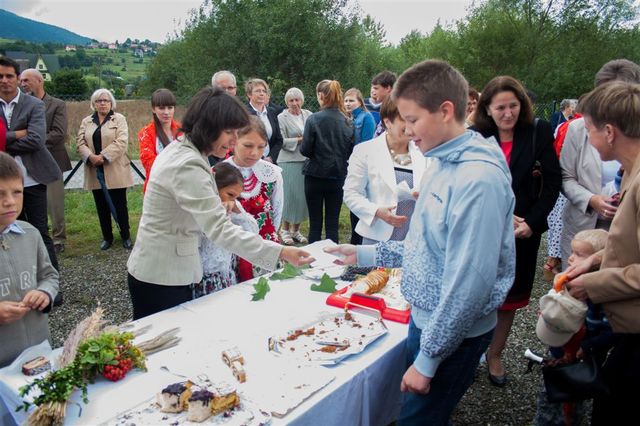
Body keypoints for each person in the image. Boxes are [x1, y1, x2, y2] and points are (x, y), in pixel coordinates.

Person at [327, 59, 515, 425]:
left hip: (452, 337)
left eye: (413, 120)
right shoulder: (442, 162)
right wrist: (364, 251)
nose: (407, 132)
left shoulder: (477, 179)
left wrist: (428, 360)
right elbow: (427, 246)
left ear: (446, 111)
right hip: (426, 321)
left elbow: (470, 285)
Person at [127, 87, 312, 320]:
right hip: (163, 276)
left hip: (165, 270)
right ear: (209, 126)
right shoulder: (187, 164)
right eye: (230, 132)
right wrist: (281, 252)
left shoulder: (187, 150)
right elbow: (219, 230)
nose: (235, 140)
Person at [473, 76, 561, 387]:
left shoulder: (537, 131)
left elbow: (552, 183)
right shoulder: (476, 136)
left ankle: (495, 354)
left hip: (522, 232)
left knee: (509, 298)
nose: (508, 113)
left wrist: (532, 223)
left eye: (513, 106)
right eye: (500, 108)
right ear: (488, 108)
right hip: (481, 229)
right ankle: (470, 353)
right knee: (475, 292)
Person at [564, 81, 640, 425]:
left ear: (609, 132)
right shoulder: (631, 174)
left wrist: (592, 284)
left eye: (589, 129)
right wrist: (594, 260)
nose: (587, 138)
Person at [560, 59, 640, 270]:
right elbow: (565, 176)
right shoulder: (576, 129)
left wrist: (591, 285)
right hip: (584, 225)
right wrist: (591, 200)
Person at [0, 56, 61, 272]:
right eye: (0, 76)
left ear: (17, 78)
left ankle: (51, 281)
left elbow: (36, 139)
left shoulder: (34, 104)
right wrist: (16, 134)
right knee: (9, 231)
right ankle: (20, 279)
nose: (4, 80)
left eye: (9, 76)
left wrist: (3, 140)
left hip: (32, 178)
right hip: (3, 183)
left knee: (39, 231)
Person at [0, 152, 59, 368]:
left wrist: (44, 293)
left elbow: (49, 276)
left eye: (17, 192)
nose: (9, 202)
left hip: (39, 353)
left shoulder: (30, 234)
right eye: (0, 194)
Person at [344, 96, 427, 244]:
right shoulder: (365, 151)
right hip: (377, 239)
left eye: (414, 120)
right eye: (405, 120)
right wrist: (376, 211)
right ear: (388, 122)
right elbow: (351, 193)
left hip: (415, 241)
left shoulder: (425, 152)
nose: (411, 127)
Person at [19, 68, 70, 255]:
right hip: (25, 162)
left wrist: (34, 141)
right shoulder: (20, 105)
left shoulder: (57, 104)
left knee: (54, 203)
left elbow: (59, 133)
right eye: (21, 81)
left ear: (40, 81)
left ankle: (58, 238)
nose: (23, 84)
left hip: (52, 160)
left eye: (27, 80)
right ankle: (33, 237)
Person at [76, 89, 133, 250]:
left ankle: (125, 236)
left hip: (115, 168)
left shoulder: (119, 119)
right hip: (95, 170)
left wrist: (103, 156)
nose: (102, 103)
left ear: (111, 103)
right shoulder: (86, 121)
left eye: (106, 100)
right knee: (101, 206)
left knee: (120, 205)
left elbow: (122, 141)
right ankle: (107, 237)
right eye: (99, 101)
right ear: (94, 103)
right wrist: (91, 157)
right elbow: (80, 142)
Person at [300, 79, 354, 243]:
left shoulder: (313, 119)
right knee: (332, 223)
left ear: (321, 95)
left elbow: (305, 150)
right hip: (338, 176)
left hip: (315, 175)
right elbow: (350, 151)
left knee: (315, 224)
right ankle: (332, 262)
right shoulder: (347, 121)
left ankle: (313, 263)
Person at [196, 162, 258, 298]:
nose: (232, 200)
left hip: (227, 273)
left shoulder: (233, 207)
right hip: (205, 277)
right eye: (229, 194)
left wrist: (237, 210)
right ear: (213, 188)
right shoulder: (201, 207)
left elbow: (252, 232)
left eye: (236, 197)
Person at [225, 116, 283, 243]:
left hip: (264, 245)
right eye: (248, 146)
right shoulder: (219, 173)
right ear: (234, 141)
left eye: (261, 146)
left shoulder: (272, 174)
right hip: (230, 246)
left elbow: (277, 210)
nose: (254, 153)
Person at [277, 87, 311, 245]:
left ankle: (296, 230)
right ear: (287, 102)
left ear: (302, 100)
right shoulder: (281, 117)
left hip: (305, 160)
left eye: (297, 100)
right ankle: (284, 230)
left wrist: (306, 139)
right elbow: (281, 141)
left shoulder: (308, 115)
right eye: (291, 100)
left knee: (301, 197)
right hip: (288, 160)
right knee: (289, 196)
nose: (295, 103)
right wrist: (299, 140)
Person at [138, 88, 181, 193]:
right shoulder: (146, 133)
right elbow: (148, 162)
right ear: (153, 109)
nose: (166, 112)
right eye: (161, 108)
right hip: (157, 188)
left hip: (180, 187)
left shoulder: (183, 131)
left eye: (170, 107)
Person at [244, 78, 283, 163]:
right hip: (250, 161)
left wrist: (271, 158)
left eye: (264, 91)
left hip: (271, 162)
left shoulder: (272, 112)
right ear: (249, 94)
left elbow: (279, 140)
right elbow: (243, 140)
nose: (262, 93)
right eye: (258, 91)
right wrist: (261, 159)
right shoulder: (243, 113)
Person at [364, 70, 397, 137]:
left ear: (388, 88)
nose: (372, 91)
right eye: (372, 87)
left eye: (376, 88)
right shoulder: (363, 104)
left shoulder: (395, 108)